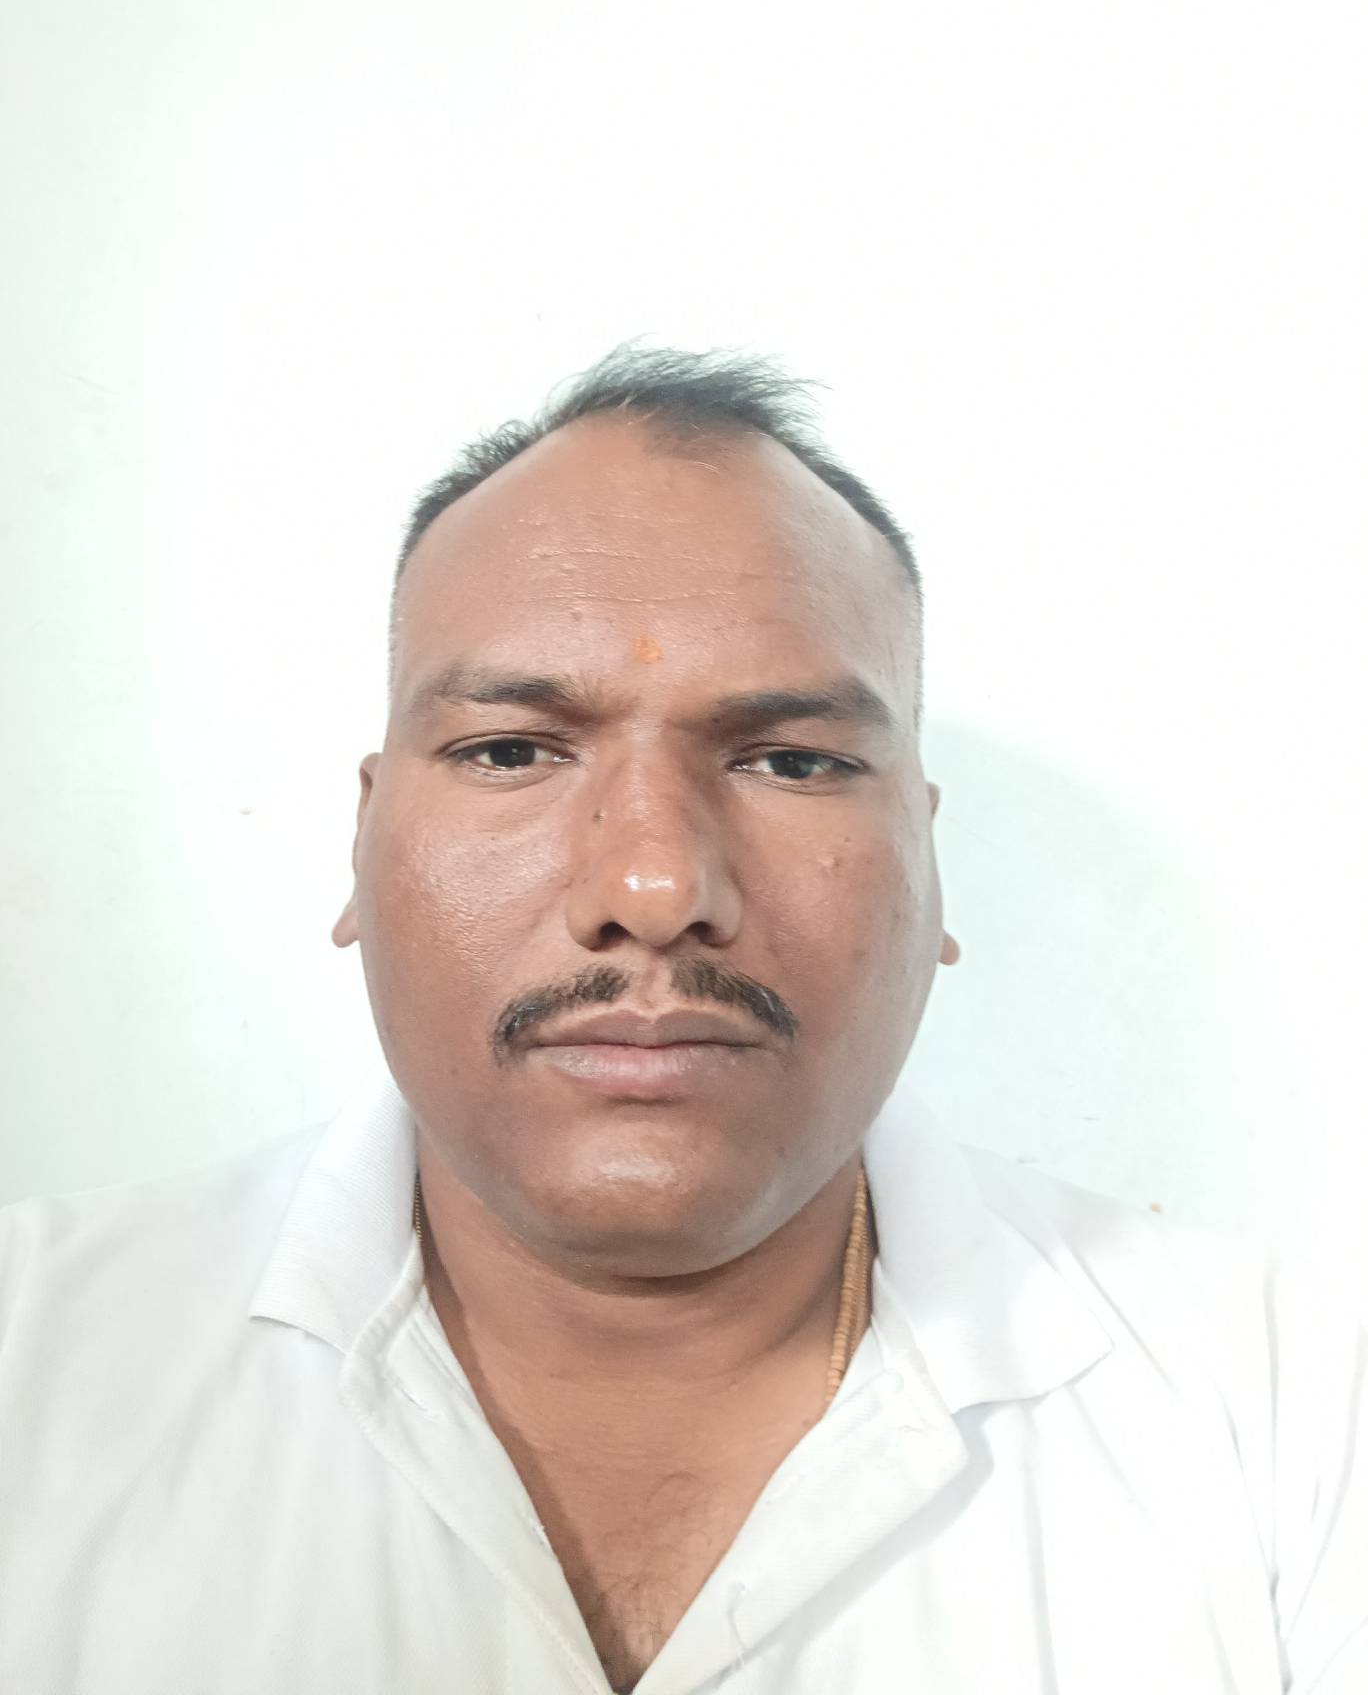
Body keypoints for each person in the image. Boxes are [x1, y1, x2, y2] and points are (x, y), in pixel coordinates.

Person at [1, 346, 1364, 1694]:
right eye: (510, 751)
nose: (654, 892)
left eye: (792, 761)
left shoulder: (1290, 1423)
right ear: (363, 845)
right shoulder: (34, 1365)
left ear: (929, 859)